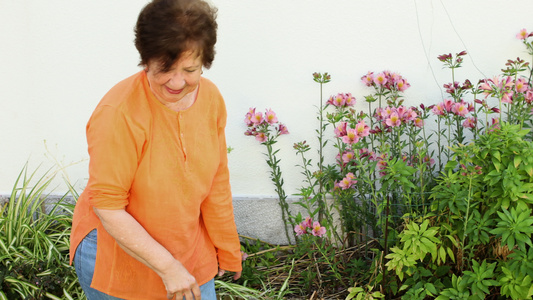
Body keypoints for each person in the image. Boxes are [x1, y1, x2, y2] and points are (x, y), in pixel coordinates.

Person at [69, 0, 243, 299]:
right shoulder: (119, 113)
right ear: (146, 59)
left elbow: (216, 180)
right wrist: (168, 268)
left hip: (189, 249)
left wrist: (227, 246)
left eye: (190, 69)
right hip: (118, 253)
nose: (177, 82)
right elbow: (108, 206)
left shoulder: (211, 98)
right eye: (165, 68)